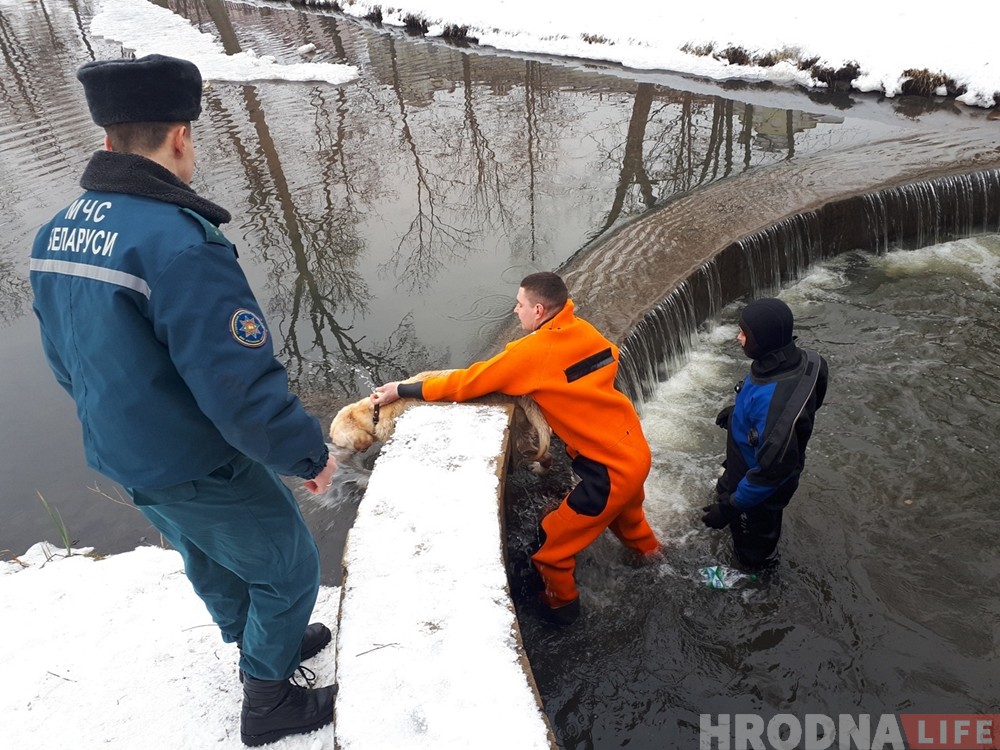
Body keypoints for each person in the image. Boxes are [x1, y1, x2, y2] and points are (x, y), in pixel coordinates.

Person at [29, 54, 337, 747]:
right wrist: (305, 453)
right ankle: (268, 700)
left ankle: (265, 642)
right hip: (191, 452)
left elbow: (65, 360)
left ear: (108, 140)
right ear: (179, 138)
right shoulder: (180, 245)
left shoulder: (58, 232)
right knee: (290, 565)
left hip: (121, 448)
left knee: (208, 551)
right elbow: (240, 388)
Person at [372, 271, 662, 626]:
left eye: (520, 304)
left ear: (539, 310)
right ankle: (656, 562)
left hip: (607, 474)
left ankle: (562, 613)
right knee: (631, 523)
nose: (515, 310)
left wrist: (402, 390)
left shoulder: (534, 353)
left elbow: (467, 383)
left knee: (549, 550)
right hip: (634, 449)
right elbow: (606, 359)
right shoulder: (584, 331)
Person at [702, 297, 829, 568]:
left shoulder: (775, 415)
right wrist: (737, 414)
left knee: (754, 546)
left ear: (763, 341)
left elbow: (768, 476)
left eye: (744, 333)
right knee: (733, 496)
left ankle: (755, 580)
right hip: (749, 461)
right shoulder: (802, 361)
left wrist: (730, 509)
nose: (738, 337)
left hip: (762, 487)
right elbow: (798, 405)